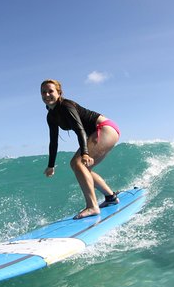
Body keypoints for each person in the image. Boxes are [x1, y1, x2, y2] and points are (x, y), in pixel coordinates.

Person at [41, 79, 121, 219]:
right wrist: (51, 165)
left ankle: (92, 206)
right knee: (84, 169)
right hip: (99, 131)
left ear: (59, 93)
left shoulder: (66, 106)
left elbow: (79, 130)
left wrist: (84, 153)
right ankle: (110, 197)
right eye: (43, 92)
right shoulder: (51, 116)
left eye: (50, 91)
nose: (47, 95)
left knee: (77, 163)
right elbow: (53, 142)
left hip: (104, 128)